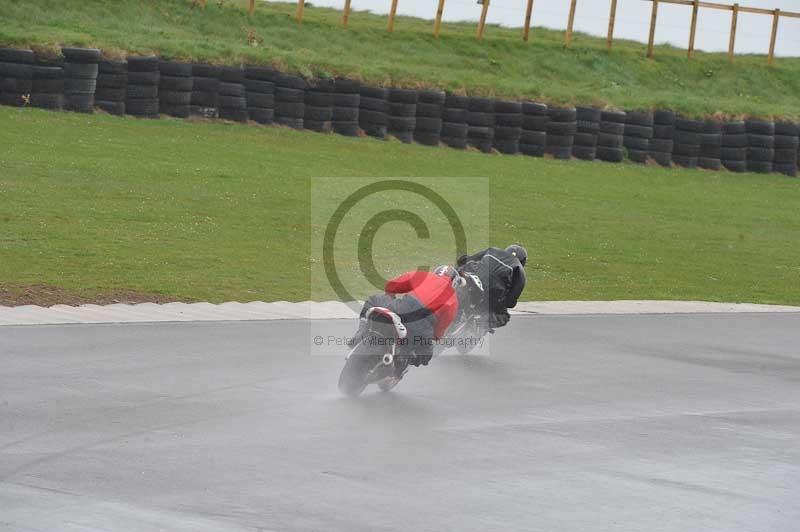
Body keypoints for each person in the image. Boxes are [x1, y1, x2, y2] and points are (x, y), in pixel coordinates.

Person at [356, 265, 462, 380]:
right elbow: (442, 326)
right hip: (422, 326)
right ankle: (400, 364)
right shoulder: (453, 298)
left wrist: (390, 298)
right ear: (454, 282)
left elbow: (392, 285)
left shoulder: (423, 275)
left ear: (436, 272)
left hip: (401, 309)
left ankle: (360, 333)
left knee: (373, 300)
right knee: (425, 355)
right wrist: (434, 337)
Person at [456, 244, 527, 329]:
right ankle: (479, 321)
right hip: (492, 292)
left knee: (458, 275)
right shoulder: (520, 270)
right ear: (523, 261)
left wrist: (462, 261)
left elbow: (466, 259)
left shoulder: (493, 250)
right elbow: (510, 302)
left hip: (473, 276)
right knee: (504, 316)